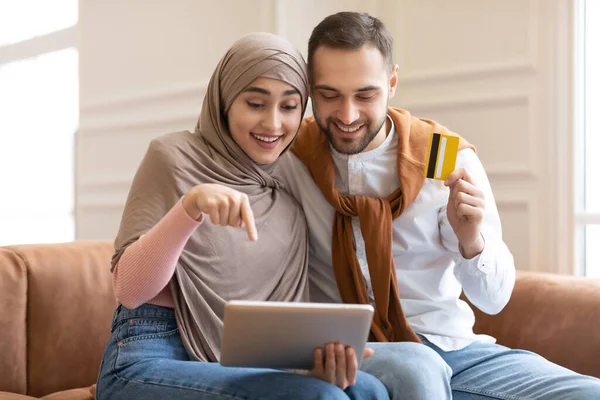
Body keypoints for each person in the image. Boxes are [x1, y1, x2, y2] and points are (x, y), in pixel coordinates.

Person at [274, 11, 600, 400]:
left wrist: (471, 240)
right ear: (310, 88)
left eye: (365, 95)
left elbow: (494, 300)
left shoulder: (442, 154)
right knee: (418, 373)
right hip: (354, 353)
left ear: (392, 82)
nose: (347, 115)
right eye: (329, 95)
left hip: (455, 349)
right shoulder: (290, 157)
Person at [95, 32, 389, 400]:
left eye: (289, 106)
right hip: (146, 354)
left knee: (371, 391)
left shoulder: (290, 183)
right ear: (224, 101)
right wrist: (190, 208)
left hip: (242, 362)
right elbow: (130, 290)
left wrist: (312, 367)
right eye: (255, 103)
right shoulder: (173, 156)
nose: (273, 123)